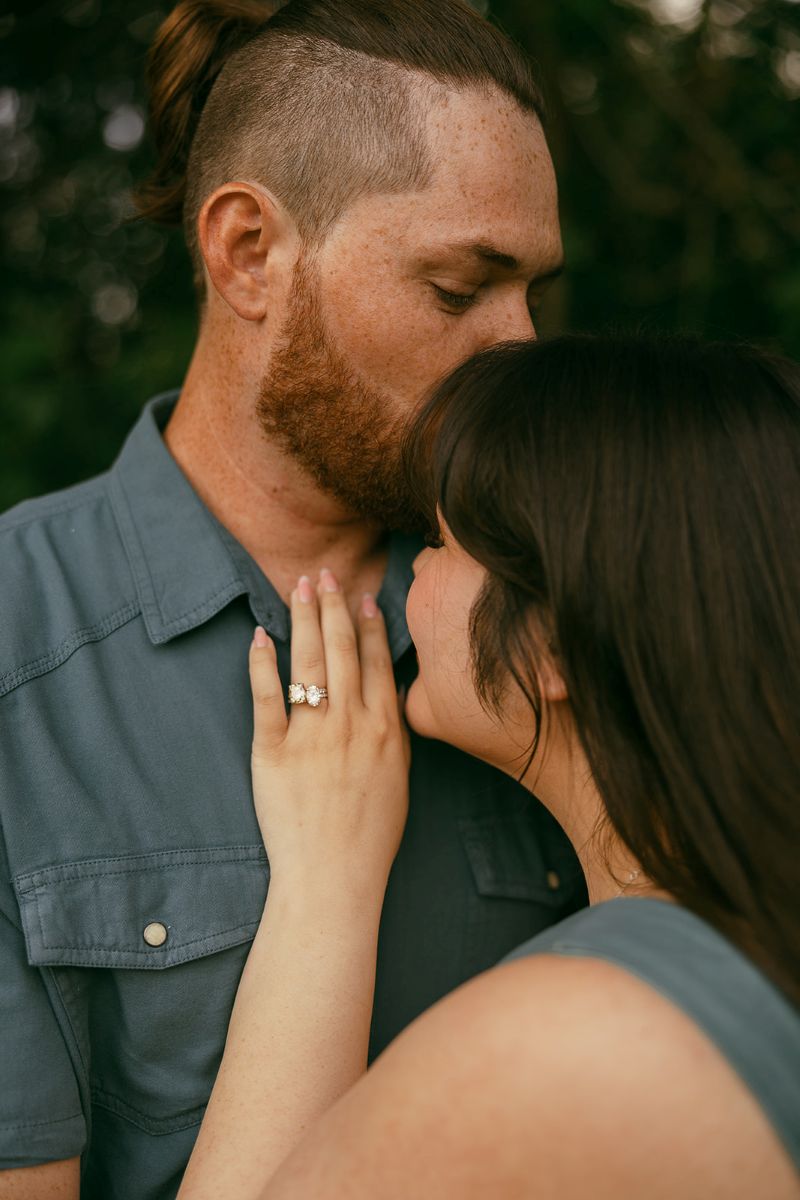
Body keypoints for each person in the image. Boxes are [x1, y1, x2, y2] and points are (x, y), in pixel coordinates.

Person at [0, 0, 580, 1194]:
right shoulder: (19, 653)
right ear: (250, 251)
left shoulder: (562, 611)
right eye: (459, 288)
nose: (519, 350)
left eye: (531, 289)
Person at [178, 333, 800, 1198]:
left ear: (553, 646)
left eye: (437, 542)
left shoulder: (567, 1045)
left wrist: (327, 878)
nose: (408, 582)